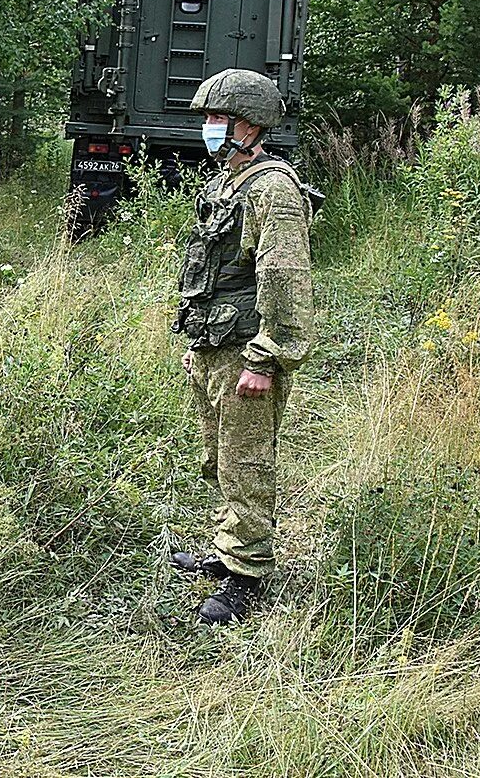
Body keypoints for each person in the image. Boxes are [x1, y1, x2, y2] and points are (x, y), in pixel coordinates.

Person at [170, 69, 315, 626]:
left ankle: (247, 578)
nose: (207, 129)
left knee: (246, 464)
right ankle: (228, 549)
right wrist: (198, 344)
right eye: (207, 118)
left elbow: (284, 275)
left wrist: (267, 354)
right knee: (220, 460)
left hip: (245, 348)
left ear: (249, 125)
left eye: (216, 119)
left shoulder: (273, 188)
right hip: (214, 342)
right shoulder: (228, 182)